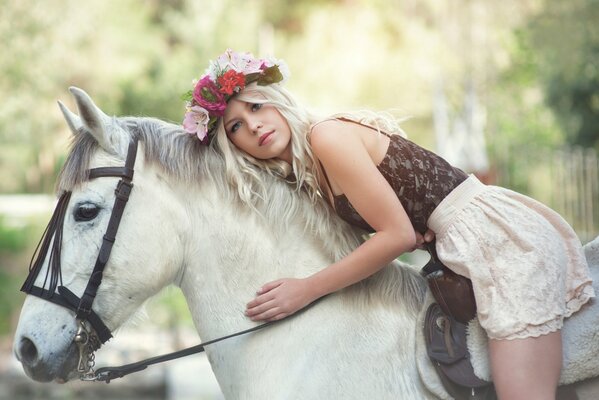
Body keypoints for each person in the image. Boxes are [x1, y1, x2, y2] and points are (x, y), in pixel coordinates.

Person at [182, 49, 594, 399]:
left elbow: (393, 236)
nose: (252, 125)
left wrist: (305, 290)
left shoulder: (327, 136)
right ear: (232, 144)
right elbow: (405, 223)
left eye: (256, 107)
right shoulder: (311, 177)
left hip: (498, 239)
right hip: (461, 244)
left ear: (277, 101)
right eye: (235, 125)